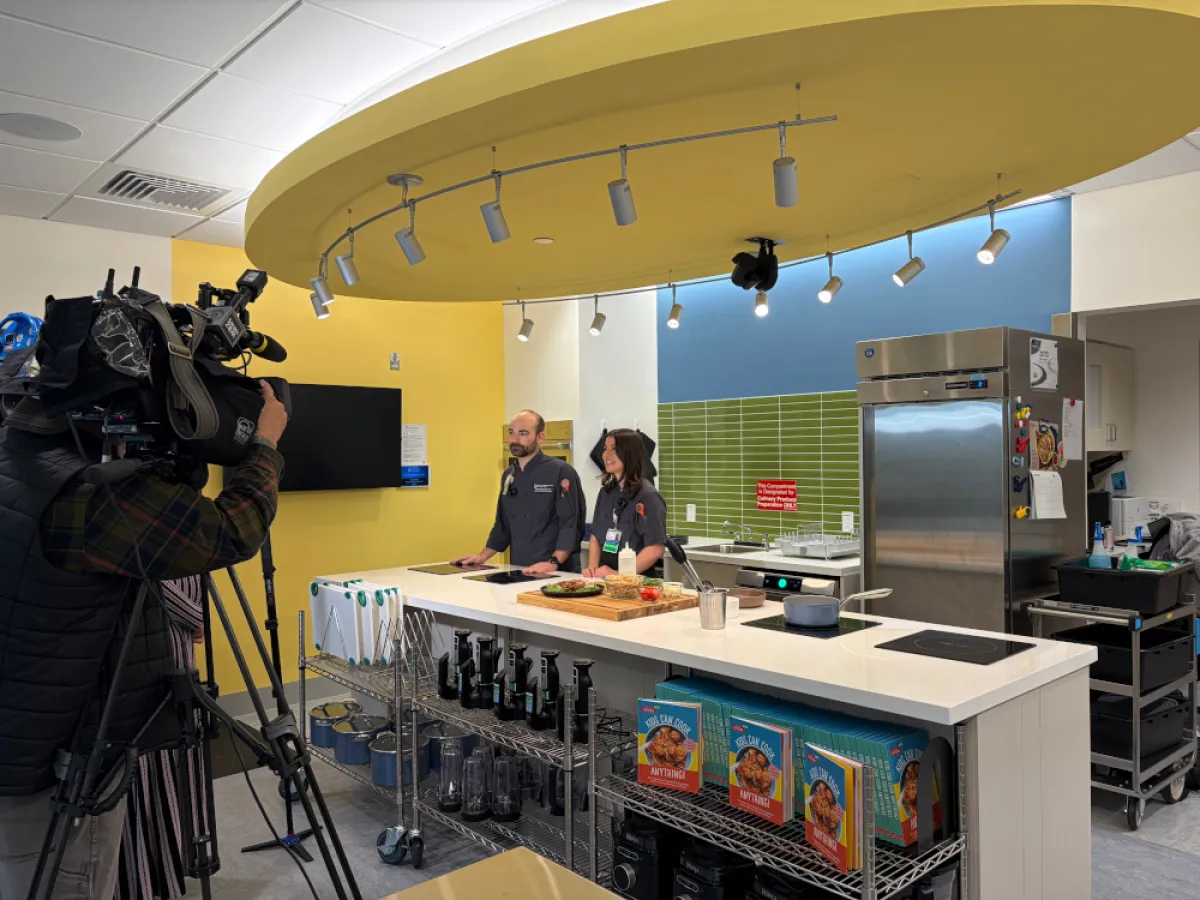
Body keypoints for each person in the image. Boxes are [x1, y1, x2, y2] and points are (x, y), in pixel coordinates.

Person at [0, 381, 288, 900]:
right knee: (68, 880)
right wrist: (265, 446)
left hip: (26, 727)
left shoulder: (21, 457)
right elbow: (230, 531)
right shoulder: (89, 489)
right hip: (48, 759)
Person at [454, 409, 585, 574]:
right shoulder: (509, 475)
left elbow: (571, 525)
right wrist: (482, 557)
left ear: (540, 437)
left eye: (523, 433)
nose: (515, 439)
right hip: (520, 568)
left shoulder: (561, 472)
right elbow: (502, 525)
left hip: (556, 571)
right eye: (511, 433)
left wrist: (553, 562)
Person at [582, 428, 667, 577]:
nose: (606, 454)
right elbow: (596, 535)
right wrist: (592, 569)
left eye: (614, 449)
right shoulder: (606, 493)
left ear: (629, 453)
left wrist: (620, 575)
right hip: (605, 578)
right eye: (605, 448)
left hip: (636, 583)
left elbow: (655, 548)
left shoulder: (648, 496)